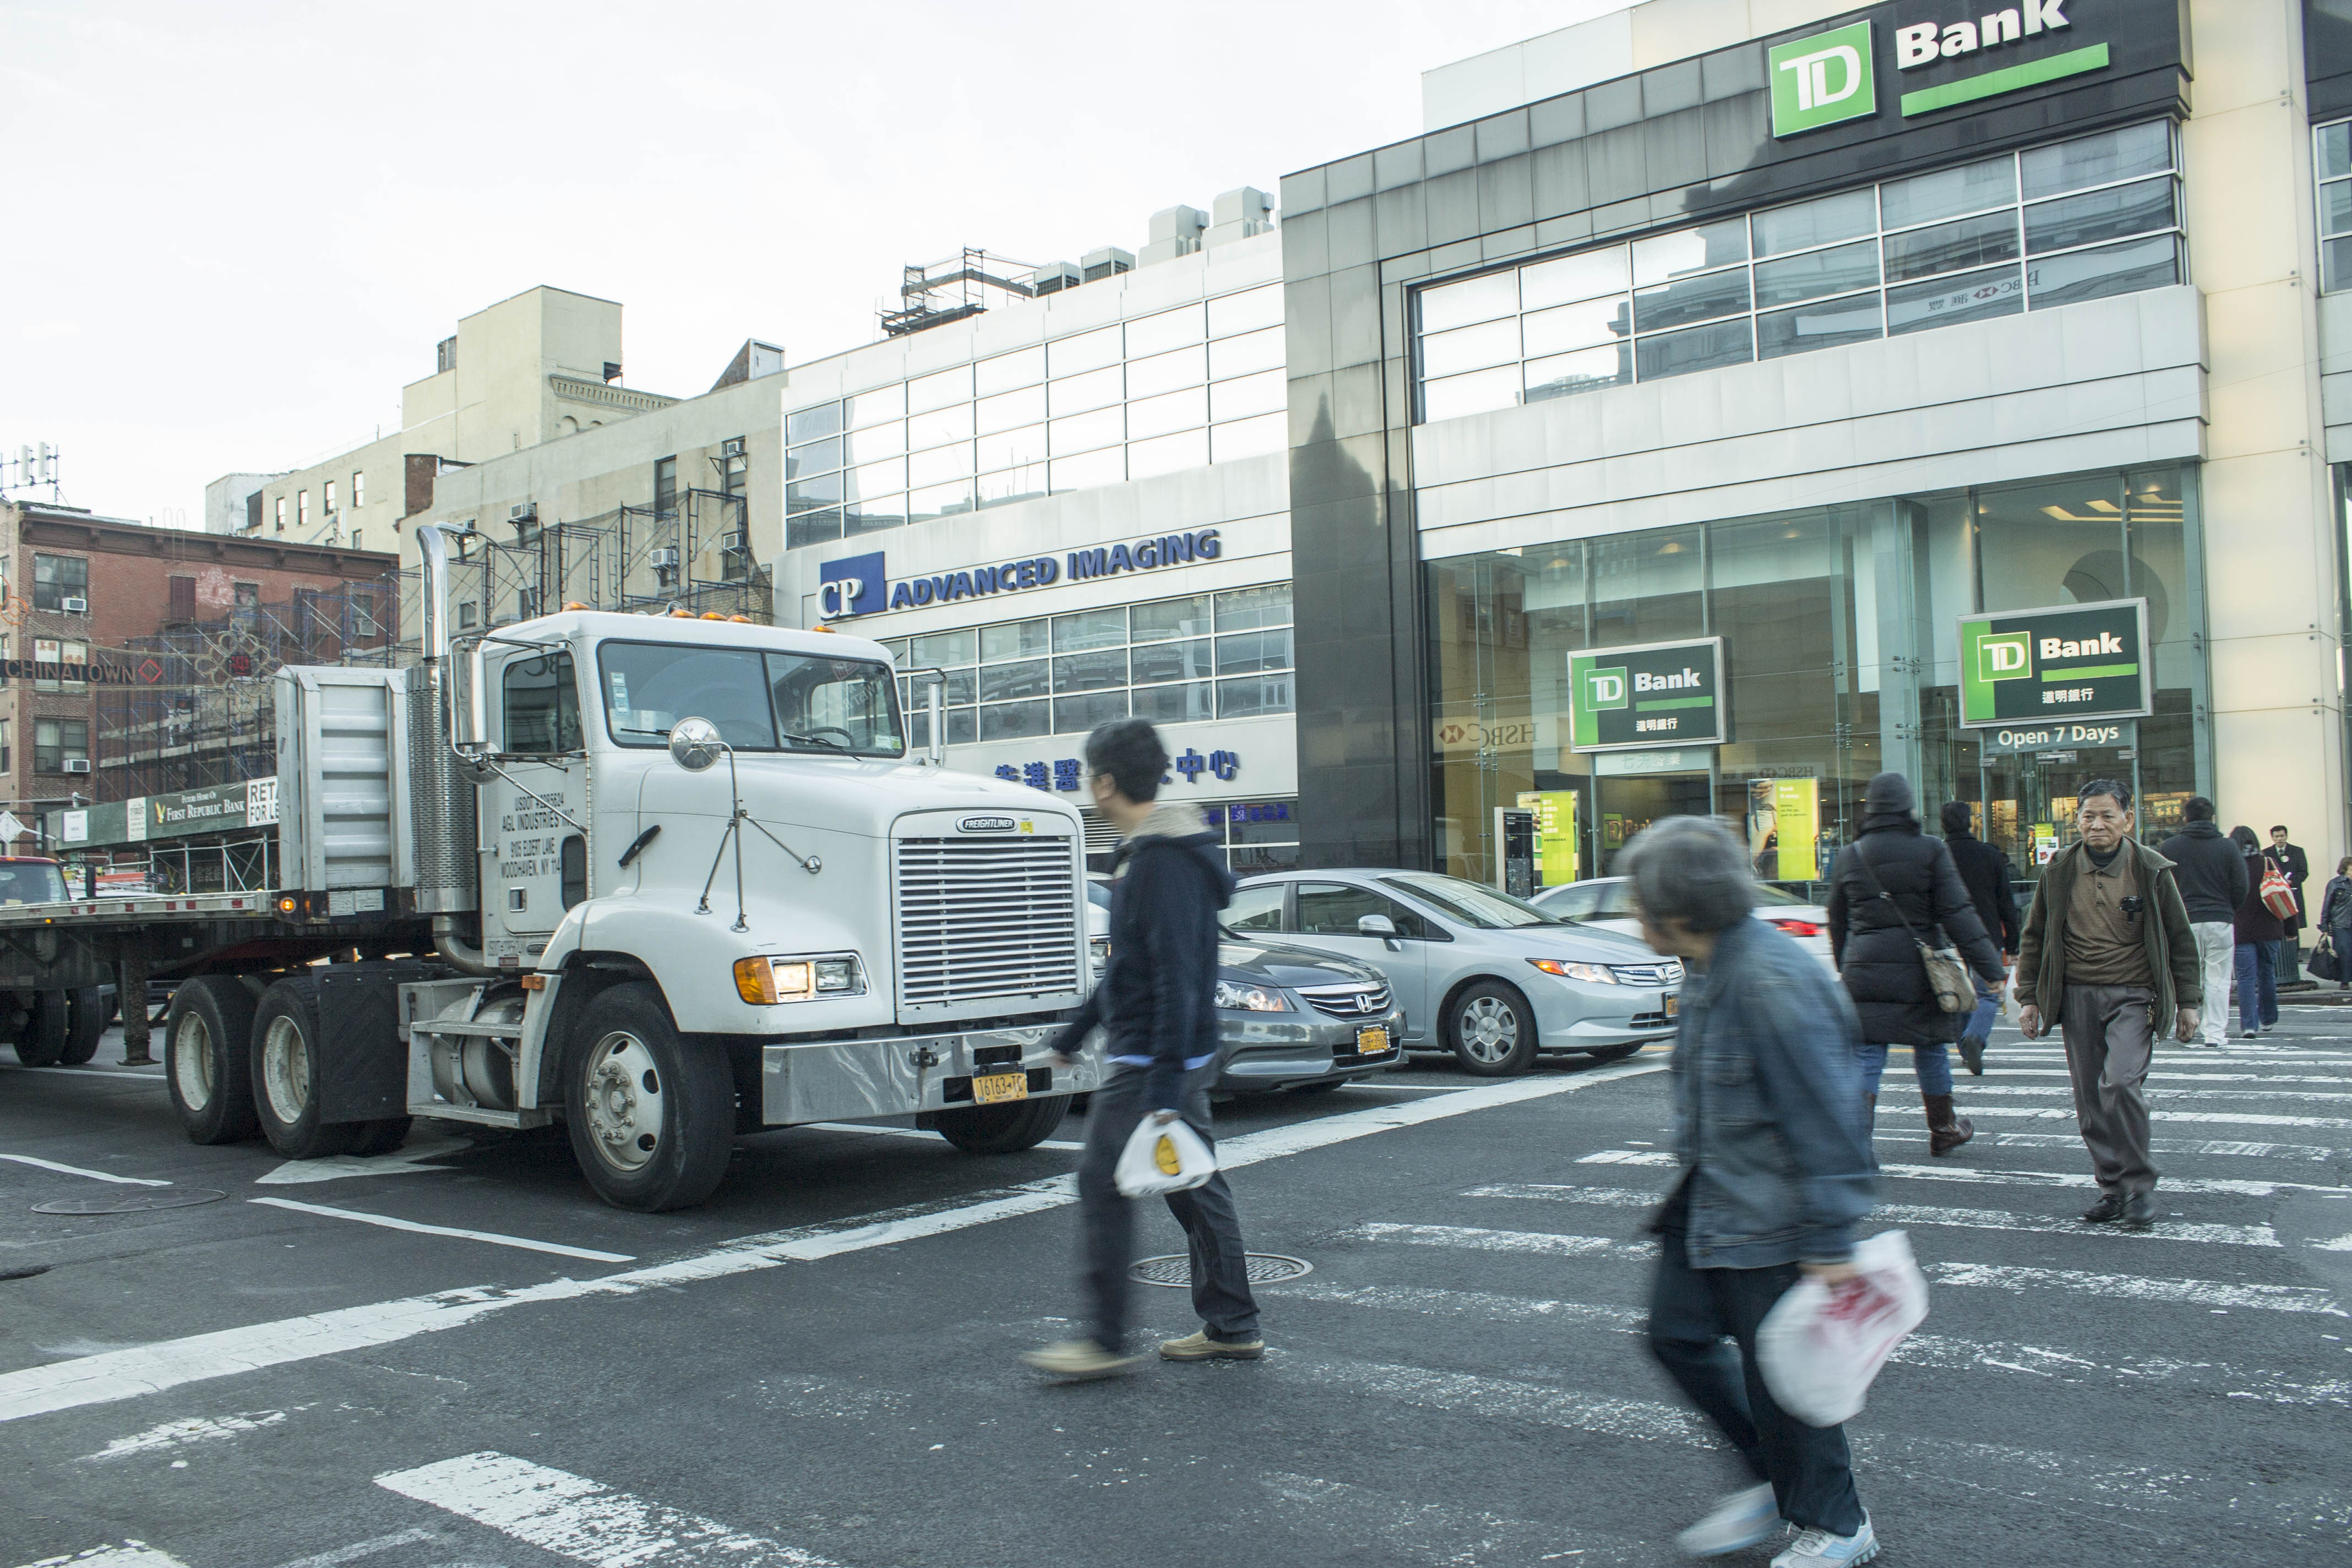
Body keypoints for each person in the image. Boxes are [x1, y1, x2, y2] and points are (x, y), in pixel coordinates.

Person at [1621, 816, 1879, 1568]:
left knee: (1786, 1380)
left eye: (1641, 903)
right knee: (1675, 1336)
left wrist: (1830, 1239)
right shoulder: (1707, 965)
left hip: (1771, 1211)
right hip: (1709, 1200)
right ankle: (1772, 1480)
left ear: (1679, 911)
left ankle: (1839, 1522)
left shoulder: (1769, 980)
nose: (1633, 917)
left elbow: (1829, 1118)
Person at [1023, 718, 1262, 1379]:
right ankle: (1232, 1324)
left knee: (1101, 1180)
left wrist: (1159, 1089)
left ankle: (1103, 1340)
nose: (1087, 789)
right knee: (1192, 1182)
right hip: (1168, 1053)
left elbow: (1179, 975)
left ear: (1105, 781)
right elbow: (1130, 969)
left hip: (1155, 1059)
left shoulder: (1160, 861)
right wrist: (1071, 1037)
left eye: (1087, 777)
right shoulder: (1152, 853)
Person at [2014, 781, 2201, 1230]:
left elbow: (2180, 939)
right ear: (2076, 820)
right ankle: (2112, 1187)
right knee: (2090, 1102)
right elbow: (2034, 936)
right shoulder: (2059, 868)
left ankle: (2140, 1185)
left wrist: (2190, 1003)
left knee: (2119, 1085)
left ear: (2128, 820)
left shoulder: (2151, 869)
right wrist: (2029, 999)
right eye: (2087, 817)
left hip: (2135, 995)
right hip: (2076, 994)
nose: (2096, 825)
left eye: (2107, 816)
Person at [1825, 774, 2004, 1156]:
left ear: (1869, 808)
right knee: (1931, 1049)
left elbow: (1837, 920)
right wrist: (1991, 969)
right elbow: (1958, 914)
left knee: (1868, 1054)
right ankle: (1943, 1129)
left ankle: (1856, 1145)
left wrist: (1847, 964)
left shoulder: (1850, 855)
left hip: (1864, 970)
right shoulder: (1931, 850)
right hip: (1921, 971)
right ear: (1908, 807)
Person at [2156, 797, 2248, 1049]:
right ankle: (2215, 1034)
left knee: (2186, 976)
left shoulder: (2170, 847)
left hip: (2183, 921)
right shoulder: (2228, 847)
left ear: (2185, 818)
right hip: (2220, 919)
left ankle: (2185, 1024)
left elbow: (2158, 886)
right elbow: (2242, 886)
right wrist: (2229, 909)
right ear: (2212, 818)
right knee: (2218, 979)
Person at [1938, 799, 2019, 1075]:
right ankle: (1976, 1036)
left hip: (1948, 936)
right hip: (1987, 936)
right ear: (1971, 822)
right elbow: (2006, 903)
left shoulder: (1938, 854)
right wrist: (2013, 942)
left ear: (1943, 824)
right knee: (1986, 994)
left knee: (1958, 995)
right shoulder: (1990, 855)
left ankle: (1964, 1047)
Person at [2230, 826, 2284, 1038]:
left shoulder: (2233, 866)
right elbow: (2283, 894)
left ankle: (2249, 1026)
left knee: (2245, 978)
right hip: (2269, 929)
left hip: (2241, 930)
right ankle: (2268, 1019)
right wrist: (2289, 928)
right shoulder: (2268, 863)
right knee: (2267, 974)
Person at [2269, 825, 2310, 985]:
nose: (2280, 839)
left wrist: (2293, 881)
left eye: (2282, 836)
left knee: (2295, 922)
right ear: (2272, 838)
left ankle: (2296, 952)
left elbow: (2304, 872)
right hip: (2276, 894)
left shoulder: (2297, 851)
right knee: (2278, 923)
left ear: (2286, 836)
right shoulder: (2267, 853)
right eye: (2277, 836)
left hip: (2293, 893)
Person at [2316, 856, 2352, 993]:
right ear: (2345, 869)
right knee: (2344, 953)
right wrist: (2324, 926)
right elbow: (2327, 905)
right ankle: (2345, 980)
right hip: (2341, 923)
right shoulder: (2336, 884)